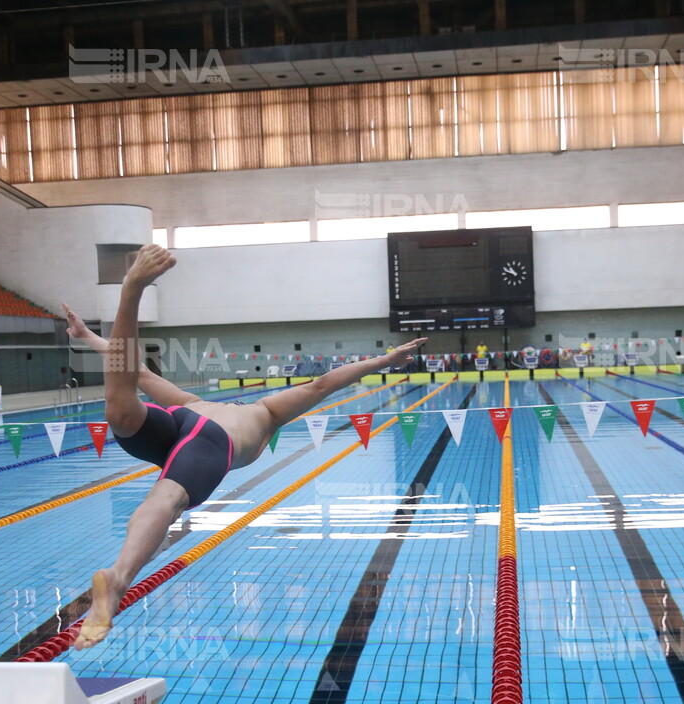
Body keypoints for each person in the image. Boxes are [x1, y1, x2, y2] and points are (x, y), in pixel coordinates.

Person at [63, 245, 426, 649]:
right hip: (206, 441)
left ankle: (130, 293)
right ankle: (118, 578)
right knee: (167, 498)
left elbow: (138, 372)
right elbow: (323, 384)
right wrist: (381, 362)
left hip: (179, 425)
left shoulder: (193, 401)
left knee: (120, 405)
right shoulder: (265, 412)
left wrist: (86, 336)